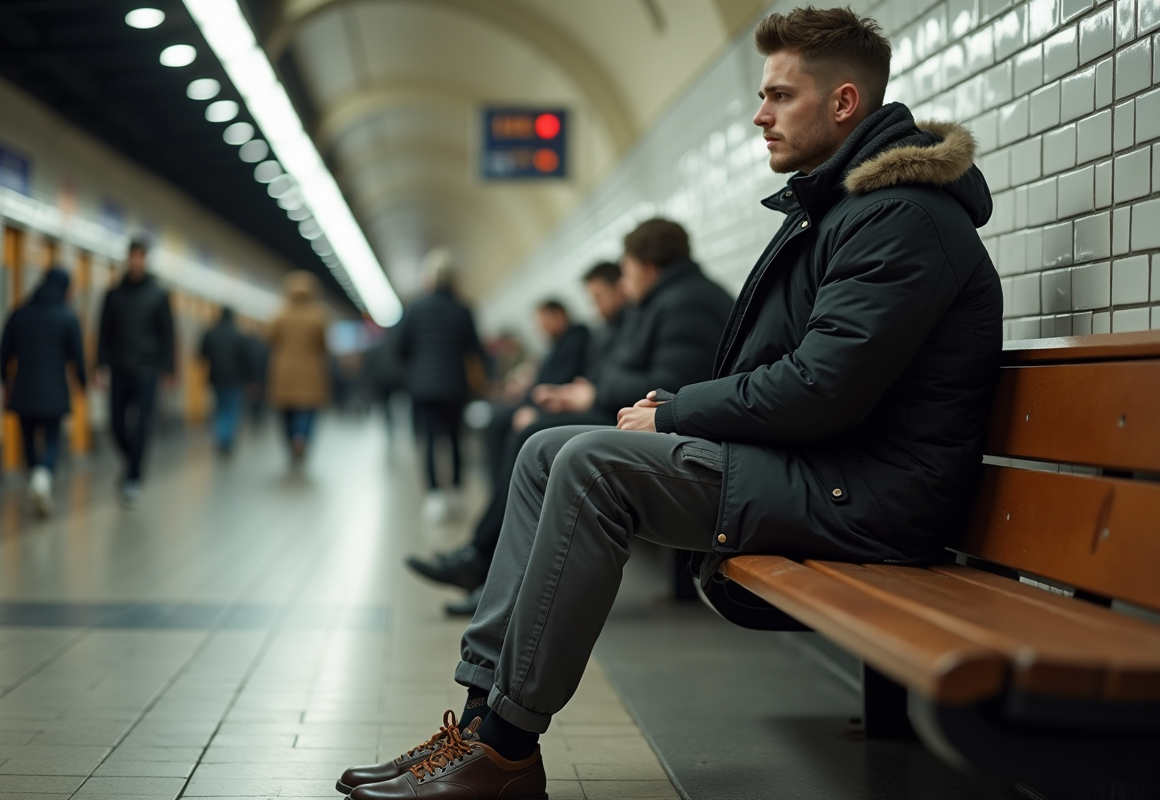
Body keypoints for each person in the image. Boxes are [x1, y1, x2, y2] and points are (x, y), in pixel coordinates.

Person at [337, 7, 1002, 798]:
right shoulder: (848, 207)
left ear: (844, 103)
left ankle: (508, 747)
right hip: (827, 467)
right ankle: (479, 724)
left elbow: (824, 387)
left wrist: (679, 413)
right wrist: (679, 401)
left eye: (779, 96)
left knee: (590, 464)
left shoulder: (899, 218)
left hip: (871, 493)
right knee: (547, 448)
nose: (760, 114)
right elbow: (808, 370)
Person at [406, 219, 733, 615]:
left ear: (647, 267)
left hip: (672, 435)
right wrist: (588, 391)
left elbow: (670, 387)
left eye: (626, 272)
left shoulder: (685, 302)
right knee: (528, 433)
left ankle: (491, 576)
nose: (625, 285)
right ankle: (487, 569)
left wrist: (594, 391)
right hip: (649, 423)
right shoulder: (671, 300)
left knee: (539, 441)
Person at [397, 249, 484, 522]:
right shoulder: (464, 309)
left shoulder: (416, 309)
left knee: (431, 440)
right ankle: (457, 492)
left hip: (424, 387)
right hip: (455, 385)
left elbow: (401, 347)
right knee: (456, 439)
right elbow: (475, 350)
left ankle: (435, 497)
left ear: (430, 278)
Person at [0, 267, 87, 517]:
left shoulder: (19, 313)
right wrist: (82, 384)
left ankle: (36, 476)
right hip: (54, 392)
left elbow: (3, 351)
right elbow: (77, 357)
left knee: (28, 440)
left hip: (24, 389)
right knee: (51, 439)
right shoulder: (68, 317)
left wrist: (5, 381)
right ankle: (43, 478)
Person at [96, 238, 174, 507]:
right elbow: (103, 332)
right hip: (119, 368)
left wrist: (168, 368)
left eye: (140, 257)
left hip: (147, 369)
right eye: (133, 256)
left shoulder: (158, 295)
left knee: (141, 425)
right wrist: (100, 365)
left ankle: (132, 479)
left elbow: (168, 334)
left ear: (146, 259)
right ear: (128, 259)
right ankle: (133, 464)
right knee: (116, 424)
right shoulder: (114, 294)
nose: (136, 261)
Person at [482, 299, 589, 485]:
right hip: (544, 401)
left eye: (542, 321)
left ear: (558, 316)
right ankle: (500, 489)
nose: (540, 327)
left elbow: (557, 384)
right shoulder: (557, 344)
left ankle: (505, 491)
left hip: (557, 404)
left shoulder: (575, 338)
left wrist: (533, 408)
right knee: (496, 420)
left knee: (507, 426)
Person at [268, 271, 330, 466]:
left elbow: (269, 339)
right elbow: (323, 345)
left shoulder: (280, 315)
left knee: (286, 410)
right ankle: (301, 438)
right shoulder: (318, 316)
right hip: (311, 371)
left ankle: (290, 442)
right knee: (307, 409)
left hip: (284, 371)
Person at [199, 307, 254, 454]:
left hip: (216, 377)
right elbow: (246, 360)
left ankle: (221, 436)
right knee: (232, 408)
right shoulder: (239, 336)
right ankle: (226, 438)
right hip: (235, 378)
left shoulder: (210, 334)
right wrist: (250, 379)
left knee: (220, 407)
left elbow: (202, 354)